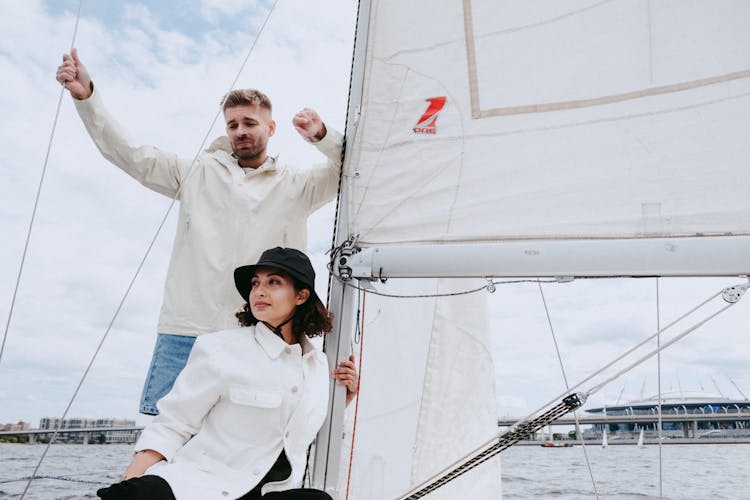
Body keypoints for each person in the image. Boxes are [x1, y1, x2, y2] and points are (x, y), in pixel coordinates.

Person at [55, 49, 344, 415]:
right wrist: (87, 98)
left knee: (255, 433)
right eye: (233, 124)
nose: (240, 131)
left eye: (250, 123)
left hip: (264, 331)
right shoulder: (194, 173)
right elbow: (127, 153)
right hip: (187, 329)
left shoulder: (298, 186)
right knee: (167, 436)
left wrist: (321, 135)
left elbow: (351, 165)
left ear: (271, 129)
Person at [96, 247, 359, 500]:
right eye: (255, 283)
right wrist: (128, 483)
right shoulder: (220, 348)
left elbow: (301, 435)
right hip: (197, 485)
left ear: (301, 296)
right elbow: (174, 423)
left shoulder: (318, 365)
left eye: (273, 282)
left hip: (270, 492)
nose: (259, 291)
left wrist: (341, 401)